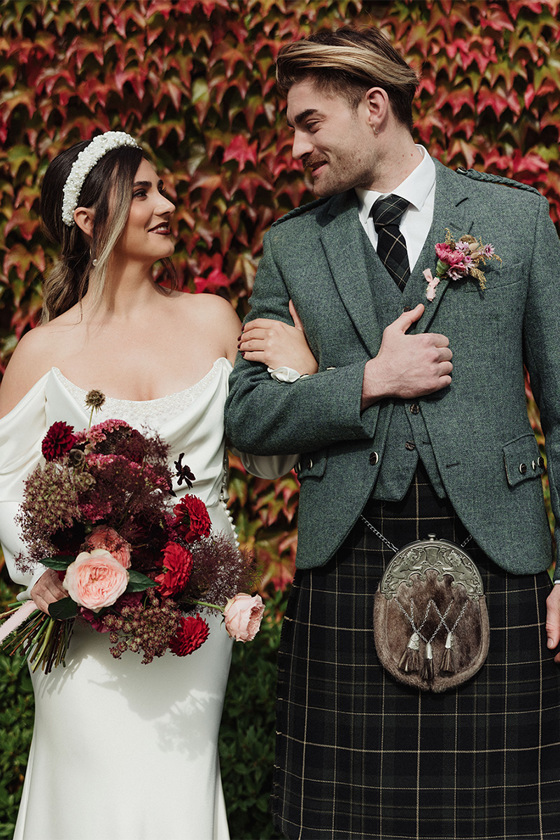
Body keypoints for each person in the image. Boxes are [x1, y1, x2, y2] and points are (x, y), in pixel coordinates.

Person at [226, 25, 560, 840]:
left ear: (374, 107)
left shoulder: (515, 220)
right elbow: (246, 415)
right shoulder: (292, 246)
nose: (294, 146)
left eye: (310, 123)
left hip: (503, 556)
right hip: (349, 559)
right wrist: (367, 380)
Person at [0, 130, 314, 840]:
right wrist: (55, 568)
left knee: (176, 786)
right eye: (140, 192)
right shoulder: (43, 351)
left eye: (164, 188)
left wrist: (301, 371)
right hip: (82, 624)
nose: (166, 204)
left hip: (198, 612)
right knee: (89, 795)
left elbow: (269, 455)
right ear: (87, 220)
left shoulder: (213, 320)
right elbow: (7, 486)